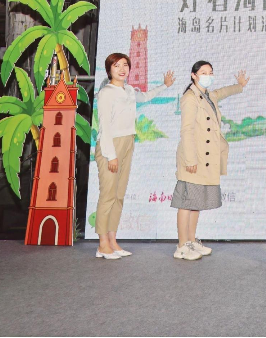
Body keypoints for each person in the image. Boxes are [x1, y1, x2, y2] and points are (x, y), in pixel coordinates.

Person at [94, 53, 174, 259]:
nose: (122, 69)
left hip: (128, 142)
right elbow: (104, 127)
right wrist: (111, 155)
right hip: (110, 145)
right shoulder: (106, 93)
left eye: (125, 65)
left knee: (119, 195)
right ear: (109, 70)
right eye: (116, 65)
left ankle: (112, 241)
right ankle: (102, 244)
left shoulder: (129, 90)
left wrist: (164, 86)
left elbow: (145, 97)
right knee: (108, 195)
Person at [172, 61, 249, 261]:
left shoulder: (208, 95)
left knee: (196, 202)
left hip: (204, 158)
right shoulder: (190, 98)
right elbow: (186, 131)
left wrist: (239, 86)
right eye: (203, 72)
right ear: (193, 75)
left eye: (210, 72)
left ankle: (191, 240)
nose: (208, 76)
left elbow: (222, 92)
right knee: (186, 202)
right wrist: (190, 159)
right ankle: (181, 246)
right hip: (193, 158)